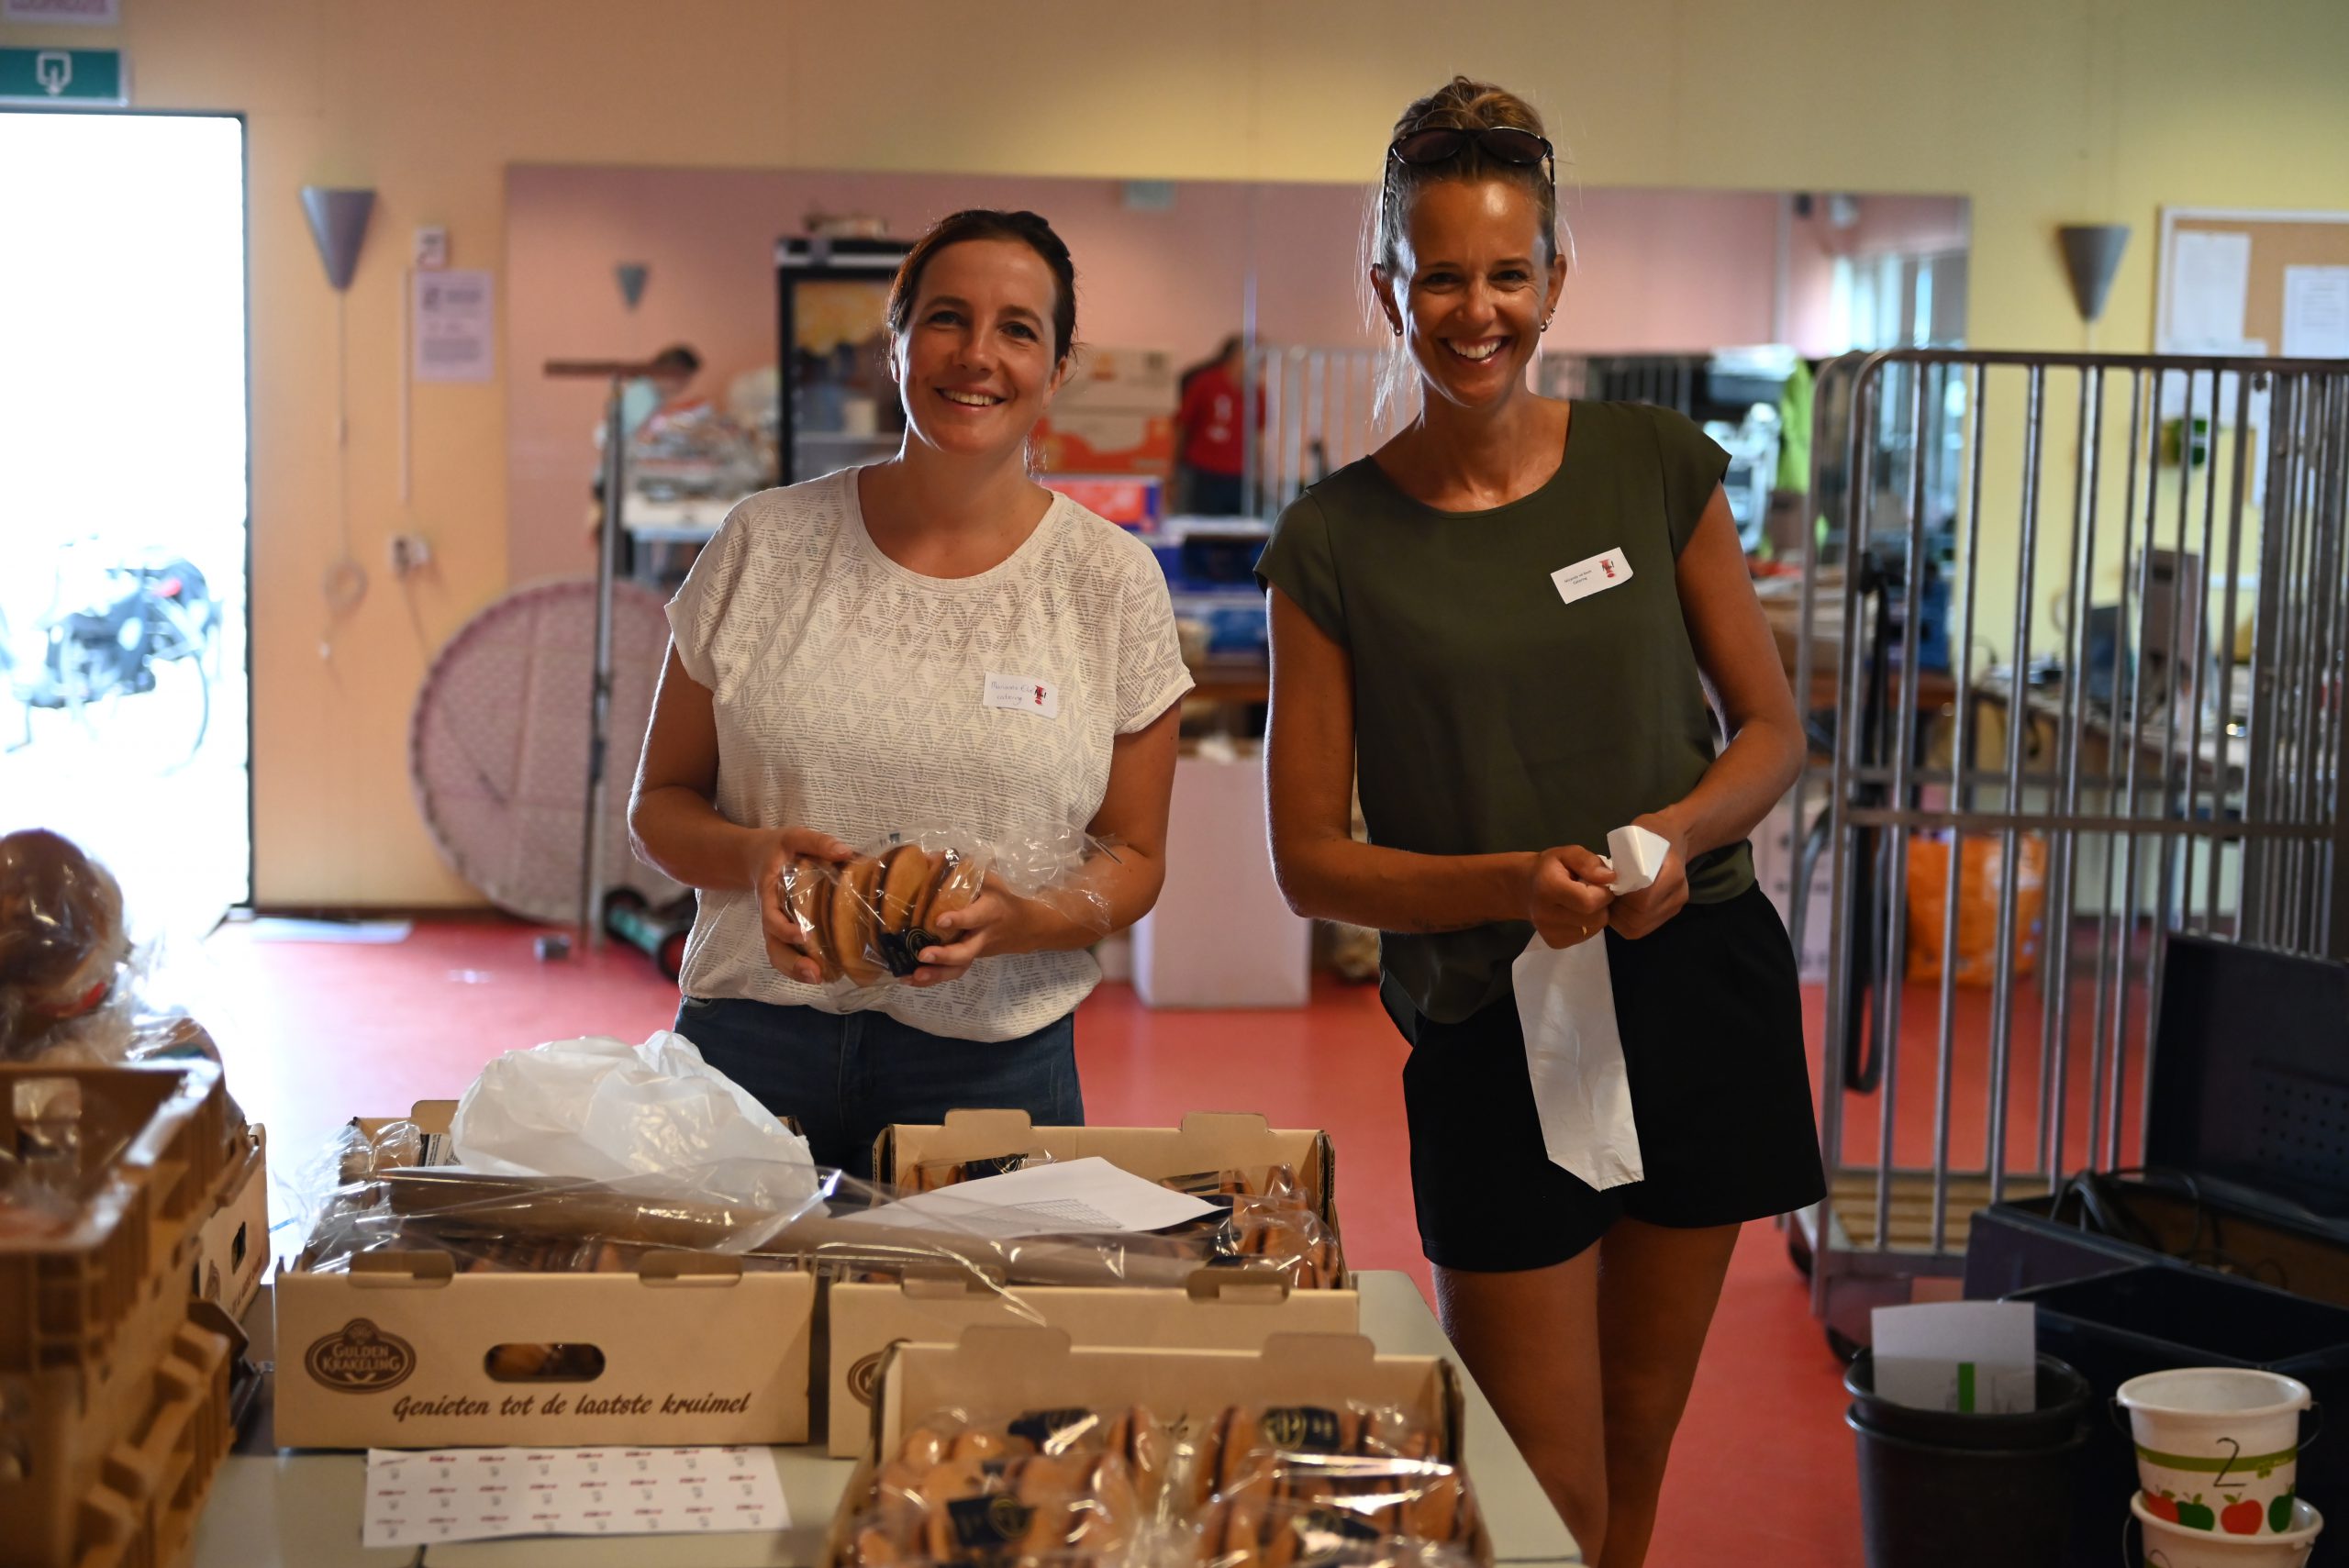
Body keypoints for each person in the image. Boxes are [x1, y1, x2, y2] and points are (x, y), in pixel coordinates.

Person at [1255, 78, 1824, 1568]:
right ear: (1390, 284)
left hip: (1694, 984)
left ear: (1556, 277)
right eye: (1440, 275)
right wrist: (1512, 881)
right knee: (1536, 1482)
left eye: (1508, 273)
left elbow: (1772, 733)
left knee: (1635, 1449)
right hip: (1495, 1023)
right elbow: (1310, 857)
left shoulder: (1656, 464)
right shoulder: (1333, 540)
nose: (1476, 310)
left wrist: (1674, 833)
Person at [629, 210, 1192, 1177]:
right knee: (731, 1287)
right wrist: (755, 855)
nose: (977, 355)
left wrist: (1024, 921)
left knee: (974, 1289)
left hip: (993, 1065)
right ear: (892, 344)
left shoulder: (1110, 581)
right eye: (945, 318)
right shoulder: (763, 542)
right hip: (750, 1048)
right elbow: (659, 805)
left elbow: (1134, 857)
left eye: (1018, 329)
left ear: (1057, 368)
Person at [1171, 334, 1253, 515]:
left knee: (1240, 526)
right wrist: (1174, 467)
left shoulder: (1256, 392)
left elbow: (1257, 436)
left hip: (1240, 475)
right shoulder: (1205, 383)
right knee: (1202, 523)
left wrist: (1259, 471)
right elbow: (1182, 425)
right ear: (1237, 355)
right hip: (1204, 471)